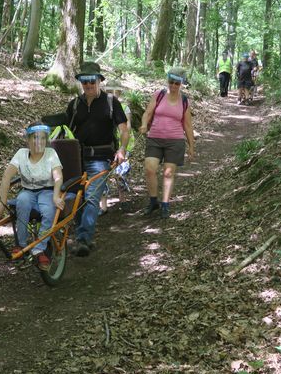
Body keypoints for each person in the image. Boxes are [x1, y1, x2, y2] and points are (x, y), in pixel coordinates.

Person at [65, 61, 129, 257]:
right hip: (77, 159)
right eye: (84, 81)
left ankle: (84, 238)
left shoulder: (111, 102)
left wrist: (122, 150)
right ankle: (80, 233)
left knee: (92, 197)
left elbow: (124, 129)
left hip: (101, 158)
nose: (88, 85)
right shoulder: (74, 105)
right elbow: (64, 132)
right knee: (76, 198)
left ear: (99, 81)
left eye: (92, 80)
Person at [0, 123, 64, 270]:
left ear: (45, 140)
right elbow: (7, 177)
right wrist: (1, 204)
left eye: (41, 138)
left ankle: (39, 248)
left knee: (49, 211)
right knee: (22, 201)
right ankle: (21, 244)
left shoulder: (50, 154)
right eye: (34, 138)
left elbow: (58, 177)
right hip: (27, 191)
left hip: (47, 191)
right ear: (28, 139)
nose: (38, 141)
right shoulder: (21, 154)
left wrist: (56, 196)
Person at [139, 68, 195, 219]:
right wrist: (144, 124)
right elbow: (148, 112)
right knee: (150, 169)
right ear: (168, 81)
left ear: (181, 83)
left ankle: (165, 204)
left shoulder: (184, 101)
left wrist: (191, 146)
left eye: (177, 83)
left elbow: (188, 125)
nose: (173, 85)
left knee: (168, 173)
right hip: (155, 138)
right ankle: (153, 201)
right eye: (171, 82)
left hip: (175, 141)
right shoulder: (159, 94)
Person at [100, 79, 135, 214]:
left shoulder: (124, 107)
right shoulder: (102, 106)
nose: (113, 94)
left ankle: (123, 199)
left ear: (120, 92)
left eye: (116, 91)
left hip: (122, 145)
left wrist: (124, 146)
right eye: (110, 91)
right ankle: (103, 205)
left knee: (121, 172)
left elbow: (127, 126)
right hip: (106, 145)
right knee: (103, 174)